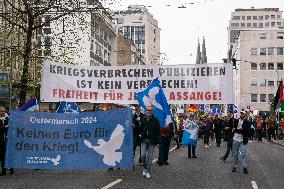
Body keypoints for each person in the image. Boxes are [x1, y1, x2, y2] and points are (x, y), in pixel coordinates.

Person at [140, 106, 160, 179]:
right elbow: (140, 128)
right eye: (147, 110)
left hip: (152, 141)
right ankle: (145, 168)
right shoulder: (143, 119)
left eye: (150, 110)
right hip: (144, 140)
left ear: (152, 111)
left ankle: (148, 171)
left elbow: (158, 132)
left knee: (150, 157)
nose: (148, 111)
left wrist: (158, 142)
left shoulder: (155, 120)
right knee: (142, 155)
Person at [0, 106, 14, 176]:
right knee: (2, 156)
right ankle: (3, 171)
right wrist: (4, 127)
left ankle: (11, 170)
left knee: (10, 154)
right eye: (2, 111)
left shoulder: (8, 118)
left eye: (4, 111)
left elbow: (13, 126)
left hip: (9, 140)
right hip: (1, 141)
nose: (3, 112)